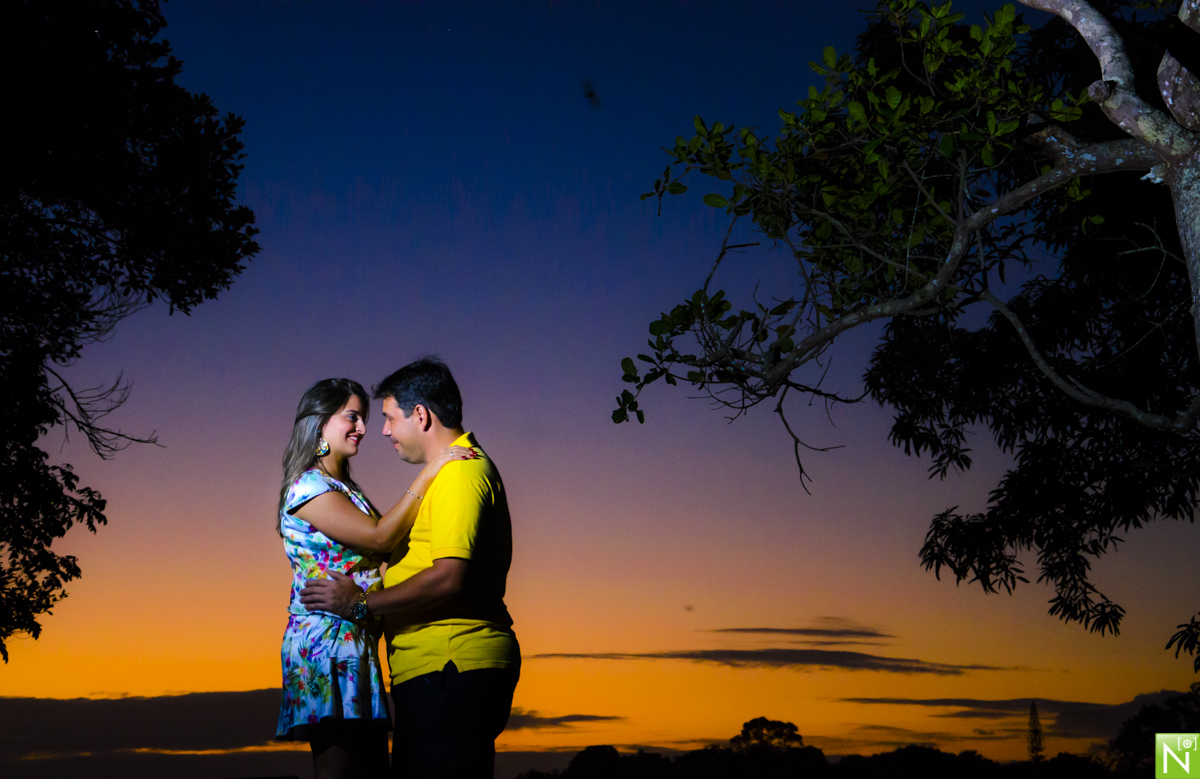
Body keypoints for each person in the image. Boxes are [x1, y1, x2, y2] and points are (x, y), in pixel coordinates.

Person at [301, 357, 520, 779]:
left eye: (388, 417)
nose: (381, 431)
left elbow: (448, 577)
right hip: (440, 670)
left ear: (420, 415)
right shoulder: (446, 475)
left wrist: (360, 605)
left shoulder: (459, 474)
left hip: (451, 664)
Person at [275, 377, 474, 779]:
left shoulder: (344, 488)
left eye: (364, 418)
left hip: (355, 640)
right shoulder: (308, 486)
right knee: (340, 772)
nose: (364, 429)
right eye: (352, 417)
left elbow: (385, 544)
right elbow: (381, 536)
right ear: (319, 422)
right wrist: (432, 470)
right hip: (327, 645)